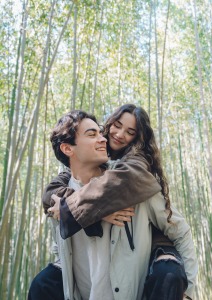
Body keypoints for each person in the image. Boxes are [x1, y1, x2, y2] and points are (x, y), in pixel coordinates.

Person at [30, 106, 198, 299]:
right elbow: (61, 248)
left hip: (142, 274)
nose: (113, 136)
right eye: (94, 133)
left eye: (130, 132)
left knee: (168, 273)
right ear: (68, 149)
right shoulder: (61, 199)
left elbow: (179, 229)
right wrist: (90, 210)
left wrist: (187, 292)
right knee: (41, 284)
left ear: (136, 140)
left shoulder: (135, 182)